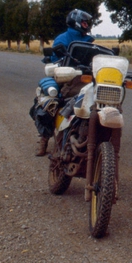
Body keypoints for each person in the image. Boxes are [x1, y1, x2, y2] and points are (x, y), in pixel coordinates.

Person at [35, 9, 95, 156]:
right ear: (76, 22)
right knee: (52, 104)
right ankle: (44, 138)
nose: (86, 25)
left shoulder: (88, 40)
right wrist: (60, 63)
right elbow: (55, 59)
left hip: (86, 78)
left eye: (87, 23)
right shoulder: (62, 39)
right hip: (66, 78)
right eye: (84, 22)